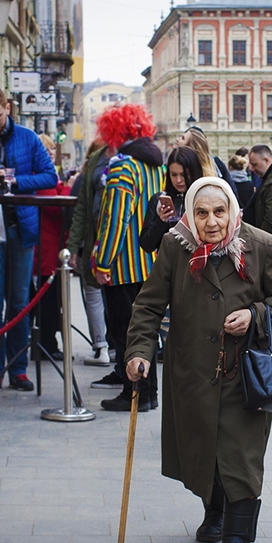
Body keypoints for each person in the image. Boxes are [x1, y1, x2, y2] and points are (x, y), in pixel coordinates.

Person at [124, 177, 272, 543]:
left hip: (245, 373)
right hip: (193, 370)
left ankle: (238, 540)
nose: (211, 221)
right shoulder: (175, 245)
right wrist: (138, 352)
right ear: (190, 213)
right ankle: (215, 510)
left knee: (241, 455)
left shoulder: (259, 245)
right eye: (201, 213)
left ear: (232, 211)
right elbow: (149, 305)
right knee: (204, 448)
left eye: (219, 212)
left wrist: (256, 316)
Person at [0, 87, 58, 392]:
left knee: (18, 302)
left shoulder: (28, 138)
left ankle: (18, 368)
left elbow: (49, 177)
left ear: (8, 108)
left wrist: (14, 180)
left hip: (21, 225)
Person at [92, 104, 166, 412]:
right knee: (146, 332)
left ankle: (132, 393)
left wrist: (102, 262)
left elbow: (116, 219)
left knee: (125, 333)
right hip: (150, 264)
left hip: (123, 265)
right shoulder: (156, 167)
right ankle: (147, 394)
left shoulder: (124, 167)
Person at [66, 139, 114, 375]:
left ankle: (102, 346)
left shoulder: (87, 175)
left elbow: (77, 210)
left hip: (97, 244)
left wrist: (74, 245)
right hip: (104, 245)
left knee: (96, 296)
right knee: (100, 295)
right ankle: (107, 345)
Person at [31, 133, 74, 361]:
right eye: (45, 151)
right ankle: (46, 344)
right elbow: (55, 207)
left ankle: (48, 343)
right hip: (46, 246)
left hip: (52, 245)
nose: (49, 154)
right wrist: (69, 188)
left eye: (50, 150)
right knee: (47, 300)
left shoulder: (45, 174)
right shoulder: (40, 176)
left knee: (51, 298)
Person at [140, 145, 204, 253]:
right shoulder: (158, 200)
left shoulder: (205, 198)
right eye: (173, 175)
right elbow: (146, 245)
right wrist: (161, 222)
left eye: (184, 175)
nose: (178, 180)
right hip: (167, 266)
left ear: (194, 172)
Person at [176, 126, 239, 198]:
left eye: (182, 138)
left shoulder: (213, 167)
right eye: (174, 175)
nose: (177, 140)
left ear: (191, 147)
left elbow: (232, 193)